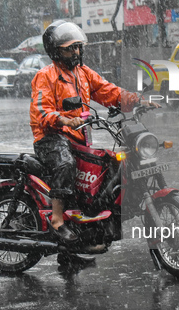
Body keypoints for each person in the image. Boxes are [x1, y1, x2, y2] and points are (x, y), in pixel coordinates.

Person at [30, 20, 159, 246]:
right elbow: (41, 110)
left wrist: (137, 101)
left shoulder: (83, 73)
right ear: (56, 51)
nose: (76, 52)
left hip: (77, 137)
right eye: (70, 48)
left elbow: (108, 91)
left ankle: (84, 236)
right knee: (65, 164)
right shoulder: (46, 76)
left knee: (105, 169)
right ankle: (57, 219)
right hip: (50, 138)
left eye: (78, 47)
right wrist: (62, 119)